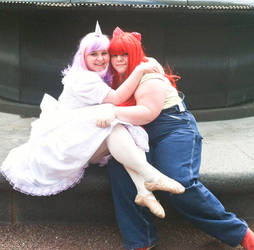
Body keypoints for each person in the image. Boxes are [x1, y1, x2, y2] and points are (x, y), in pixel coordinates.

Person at [0, 22, 185, 219]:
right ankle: (151, 177)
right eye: (93, 54)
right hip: (64, 144)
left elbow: (128, 60)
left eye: (104, 53)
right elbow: (116, 99)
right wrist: (140, 70)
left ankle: (144, 191)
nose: (100, 59)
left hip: (80, 137)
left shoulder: (99, 76)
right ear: (83, 56)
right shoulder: (82, 79)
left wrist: (144, 60)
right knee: (113, 115)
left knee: (119, 125)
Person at [101, 27, 254, 250]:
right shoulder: (116, 77)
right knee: (119, 169)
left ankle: (241, 234)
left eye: (124, 54)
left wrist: (112, 114)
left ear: (134, 53)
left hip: (172, 126)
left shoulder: (149, 73)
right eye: (114, 55)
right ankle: (141, 241)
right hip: (139, 131)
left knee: (178, 180)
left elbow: (148, 113)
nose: (118, 59)